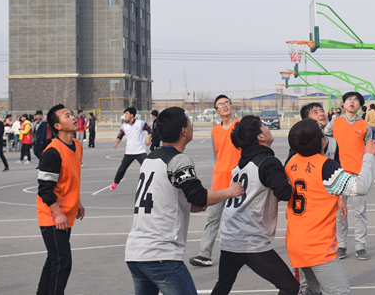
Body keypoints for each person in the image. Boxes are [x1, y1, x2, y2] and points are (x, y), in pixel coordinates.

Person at [124, 106, 243, 295]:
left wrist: (185, 205)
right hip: (160, 254)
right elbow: (199, 196)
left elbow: (162, 194)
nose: (191, 126)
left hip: (135, 252)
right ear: (184, 131)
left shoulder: (149, 159)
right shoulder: (179, 160)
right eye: (189, 122)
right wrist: (230, 191)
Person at [285, 118, 375, 295]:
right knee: (340, 292)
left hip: (296, 242)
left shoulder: (291, 162)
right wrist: (368, 156)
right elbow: (360, 187)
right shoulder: (325, 167)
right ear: (323, 141)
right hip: (318, 246)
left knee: (313, 291)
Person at [209, 115, 299, 295]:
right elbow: (284, 193)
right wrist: (291, 180)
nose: (267, 127)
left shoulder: (239, 167)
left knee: (223, 286)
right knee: (290, 287)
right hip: (250, 240)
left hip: (229, 237)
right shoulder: (267, 162)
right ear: (261, 137)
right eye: (264, 125)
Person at [36, 104, 85, 295]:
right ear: (57, 126)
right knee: (62, 262)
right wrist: (57, 214)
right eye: (67, 116)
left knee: (54, 260)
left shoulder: (77, 145)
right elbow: (44, 189)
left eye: (72, 114)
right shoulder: (52, 152)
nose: (72, 117)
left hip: (65, 214)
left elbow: (70, 178)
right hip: (52, 216)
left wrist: (77, 202)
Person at [190, 95, 241, 267]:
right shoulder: (214, 131)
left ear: (231, 106)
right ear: (217, 111)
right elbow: (216, 156)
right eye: (220, 105)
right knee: (212, 219)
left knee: (238, 219)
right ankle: (204, 255)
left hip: (238, 182)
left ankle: (244, 253)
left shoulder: (240, 126)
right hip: (219, 182)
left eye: (227, 103)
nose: (225, 106)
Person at [325, 91, 372, 260]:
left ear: (360, 106)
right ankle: (341, 245)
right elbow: (325, 140)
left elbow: (368, 149)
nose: (352, 102)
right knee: (339, 213)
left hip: (357, 175)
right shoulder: (335, 123)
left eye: (356, 100)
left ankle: (361, 246)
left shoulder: (364, 125)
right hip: (338, 174)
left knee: (360, 213)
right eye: (349, 100)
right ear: (343, 104)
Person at [110, 107, 152, 191]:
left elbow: (150, 130)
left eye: (126, 114)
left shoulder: (140, 123)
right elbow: (119, 136)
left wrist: (148, 139)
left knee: (147, 167)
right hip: (129, 152)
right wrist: (116, 143)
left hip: (140, 151)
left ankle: (152, 184)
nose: (125, 116)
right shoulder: (124, 126)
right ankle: (115, 182)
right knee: (122, 169)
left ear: (132, 115)